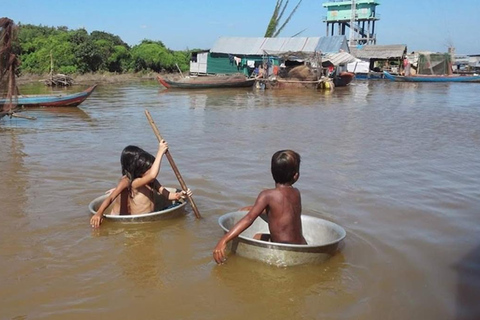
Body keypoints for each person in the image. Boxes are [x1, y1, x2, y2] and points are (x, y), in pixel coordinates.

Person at [213, 150, 306, 264]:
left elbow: (249, 219)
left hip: (282, 249)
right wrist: (255, 208)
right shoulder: (296, 193)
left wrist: (224, 239)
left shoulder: (267, 195)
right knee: (259, 236)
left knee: (256, 238)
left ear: (271, 172)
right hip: (301, 245)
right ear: (296, 176)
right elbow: (282, 211)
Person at [90, 141, 191, 228]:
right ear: (139, 171)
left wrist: (180, 195)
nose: (152, 171)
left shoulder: (153, 182)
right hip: (139, 222)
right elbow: (111, 198)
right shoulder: (134, 183)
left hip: (150, 218)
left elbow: (168, 195)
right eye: (149, 169)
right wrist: (99, 213)